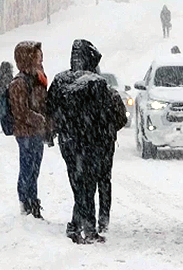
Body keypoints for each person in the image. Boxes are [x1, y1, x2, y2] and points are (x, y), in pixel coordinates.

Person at [47, 39, 127, 244]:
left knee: (77, 183)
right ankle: (87, 228)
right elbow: (104, 116)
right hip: (90, 142)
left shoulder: (60, 80)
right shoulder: (97, 84)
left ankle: (76, 226)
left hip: (68, 141)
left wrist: (57, 130)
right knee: (89, 185)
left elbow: (50, 110)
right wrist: (103, 134)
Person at [9, 41, 49, 219]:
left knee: (34, 170)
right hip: (26, 133)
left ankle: (33, 202)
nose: (40, 59)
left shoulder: (37, 78)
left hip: (36, 133)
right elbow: (20, 111)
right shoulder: (19, 82)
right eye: (37, 56)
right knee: (27, 169)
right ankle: (27, 204)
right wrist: (40, 120)